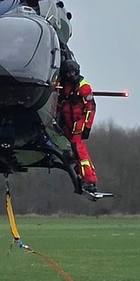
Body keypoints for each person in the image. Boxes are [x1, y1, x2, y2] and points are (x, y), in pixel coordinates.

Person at [56, 59, 100, 195]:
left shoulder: (83, 86)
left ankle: (89, 179)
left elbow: (91, 107)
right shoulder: (62, 85)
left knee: (78, 148)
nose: (71, 75)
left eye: (73, 72)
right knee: (69, 148)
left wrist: (87, 127)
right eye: (68, 73)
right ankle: (81, 172)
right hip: (67, 124)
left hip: (78, 124)